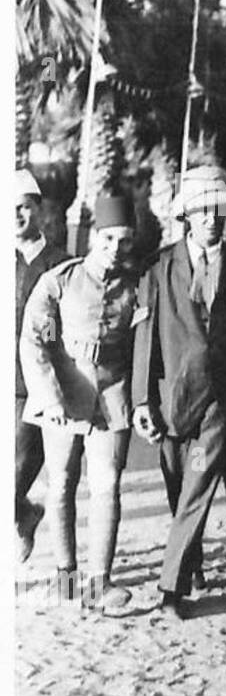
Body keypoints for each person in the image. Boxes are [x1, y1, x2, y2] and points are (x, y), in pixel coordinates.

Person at [132, 166, 226, 618]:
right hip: (174, 400)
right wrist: (142, 400)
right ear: (186, 216)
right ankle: (224, 565)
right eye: (202, 210)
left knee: (199, 487)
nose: (211, 219)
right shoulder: (159, 268)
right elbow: (147, 337)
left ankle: (171, 590)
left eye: (218, 210)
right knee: (184, 488)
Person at [20, 193, 137, 611]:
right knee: (62, 484)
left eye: (124, 242)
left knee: (107, 485)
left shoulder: (136, 285)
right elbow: (39, 339)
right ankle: (66, 575)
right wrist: (50, 394)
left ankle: (101, 581)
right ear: (93, 238)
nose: (115, 250)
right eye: (107, 240)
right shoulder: (60, 280)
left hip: (111, 396)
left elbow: (142, 345)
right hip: (65, 394)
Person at [15, 169, 66, 562]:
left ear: (38, 210)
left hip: (34, 385)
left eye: (23, 208)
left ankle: (24, 511)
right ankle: (25, 513)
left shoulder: (59, 264)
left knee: (15, 471)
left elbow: (56, 329)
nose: (15, 216)